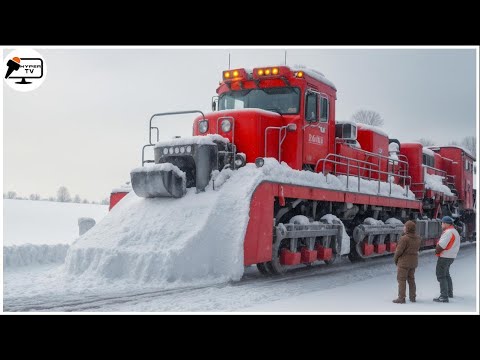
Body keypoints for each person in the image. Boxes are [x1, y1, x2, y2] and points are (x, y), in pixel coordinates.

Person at [392, 220, 421, 304]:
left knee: (401, 280)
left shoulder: (404, 239)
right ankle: (413, 297)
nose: (403, 228)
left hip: (404, 262)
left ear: (408, 228)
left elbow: (398, 251)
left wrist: (395, 259)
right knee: (411, 279)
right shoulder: (418, 238)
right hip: (413, 262)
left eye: (405, 226)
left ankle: (401, 298)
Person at [433, 216, 460, 303]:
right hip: (451, 256)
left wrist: (436, 250)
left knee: (441, 275)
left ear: (446, 223)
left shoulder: (448, 232)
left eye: (442, 223)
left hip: (445, 257)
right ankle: (449, 293)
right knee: (446, 274)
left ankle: (444, 296)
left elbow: (441, 245)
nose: (441, 224)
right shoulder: (454, 231)